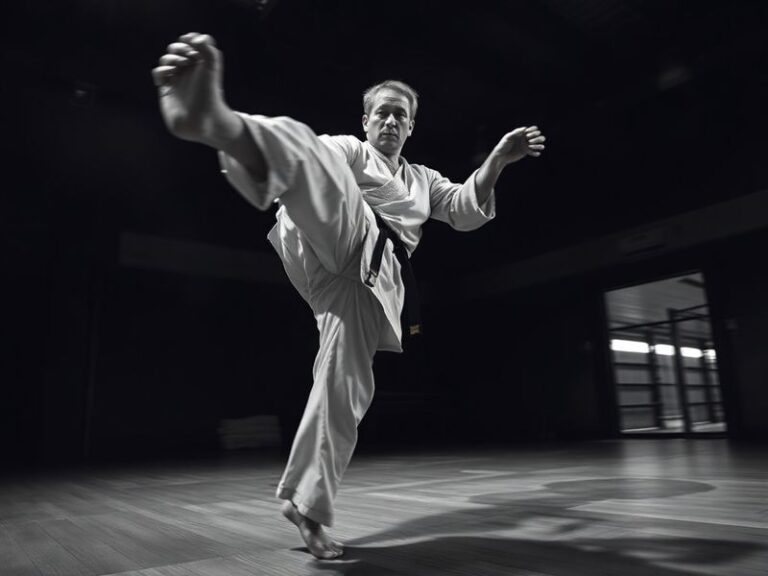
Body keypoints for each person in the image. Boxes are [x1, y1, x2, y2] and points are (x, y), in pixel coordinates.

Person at [152, 32, 546, 560]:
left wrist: (499, 157)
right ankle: (218, 124)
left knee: (344, 387)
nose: (390, 122)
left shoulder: (424, 179)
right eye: (381, 113)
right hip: (332, 229)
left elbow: (467, 210)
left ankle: (305, 505)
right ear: (366, 120)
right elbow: (316, 158)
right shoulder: (349, 148)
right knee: (315, 156)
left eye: (400, 116)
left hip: (367, 279)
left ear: (411, 127)